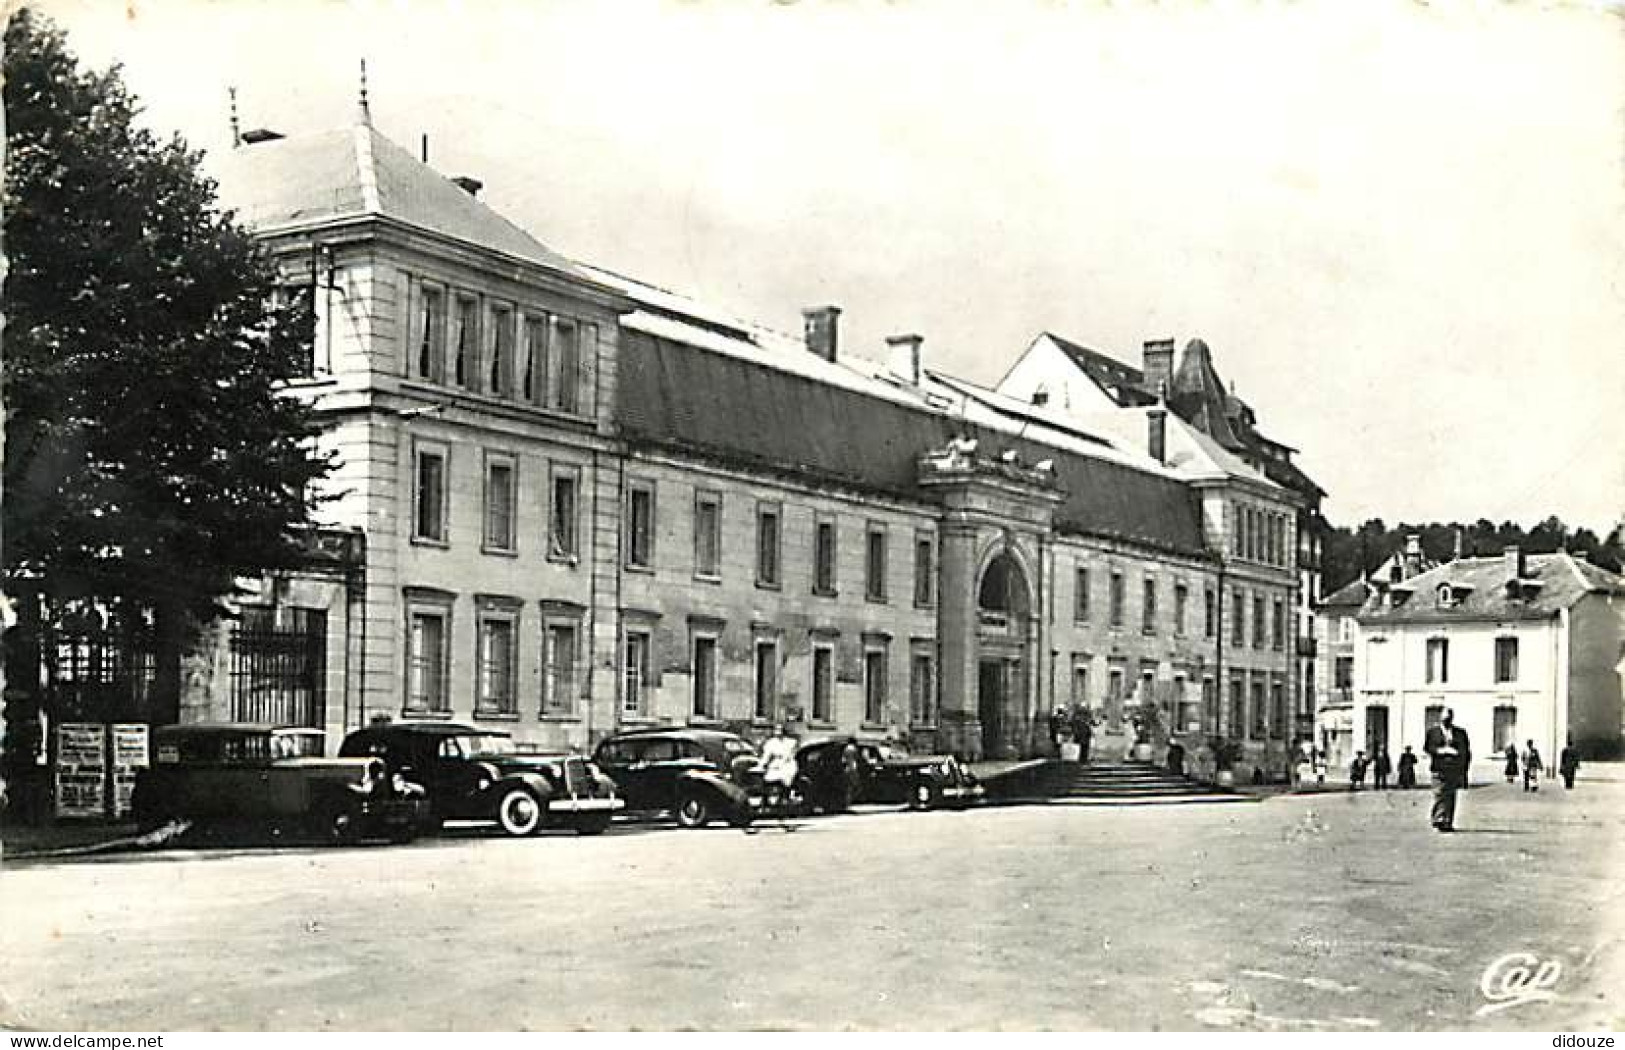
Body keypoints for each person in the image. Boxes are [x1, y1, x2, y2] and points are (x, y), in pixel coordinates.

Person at [1423, 708, 1472, 832]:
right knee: (1439, 793)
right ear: (1440, 718)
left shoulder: (1460, 733)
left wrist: (1463, 768)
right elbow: (1428, 747)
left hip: (1453, 769)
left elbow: (1466, 752)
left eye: (1449, 718)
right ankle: (1438, 819)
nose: (1447, 721)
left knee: (1450, 796)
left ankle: (1448, 821)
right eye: (1444, 718)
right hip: (1438, 768)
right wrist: (1440, 751)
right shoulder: (1433, 732)